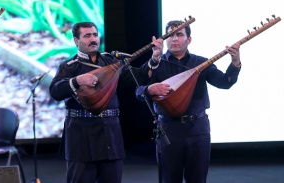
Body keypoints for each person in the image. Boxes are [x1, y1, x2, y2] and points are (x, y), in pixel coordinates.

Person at [49, 22, 163, 183]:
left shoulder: (110, 61)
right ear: (76, 41)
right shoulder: (69, 67)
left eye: (95, 35)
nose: (93, 39)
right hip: (81, 134)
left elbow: (138, 77)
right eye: (87, 36)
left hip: (110, 132)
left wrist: (155, 57)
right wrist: (77, 81)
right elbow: (55, 91)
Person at [135, 20, 242, 183]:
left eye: (179, 34)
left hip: (197, 130)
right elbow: (138, 90)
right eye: (170, 35)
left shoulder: (201, 62)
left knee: (197, 179)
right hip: (169, 129)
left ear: (189, 39)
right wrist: (150, 90)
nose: (175, 39)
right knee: (169, 179)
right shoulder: (157, 63)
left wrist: (235, 62)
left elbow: (224, 82)